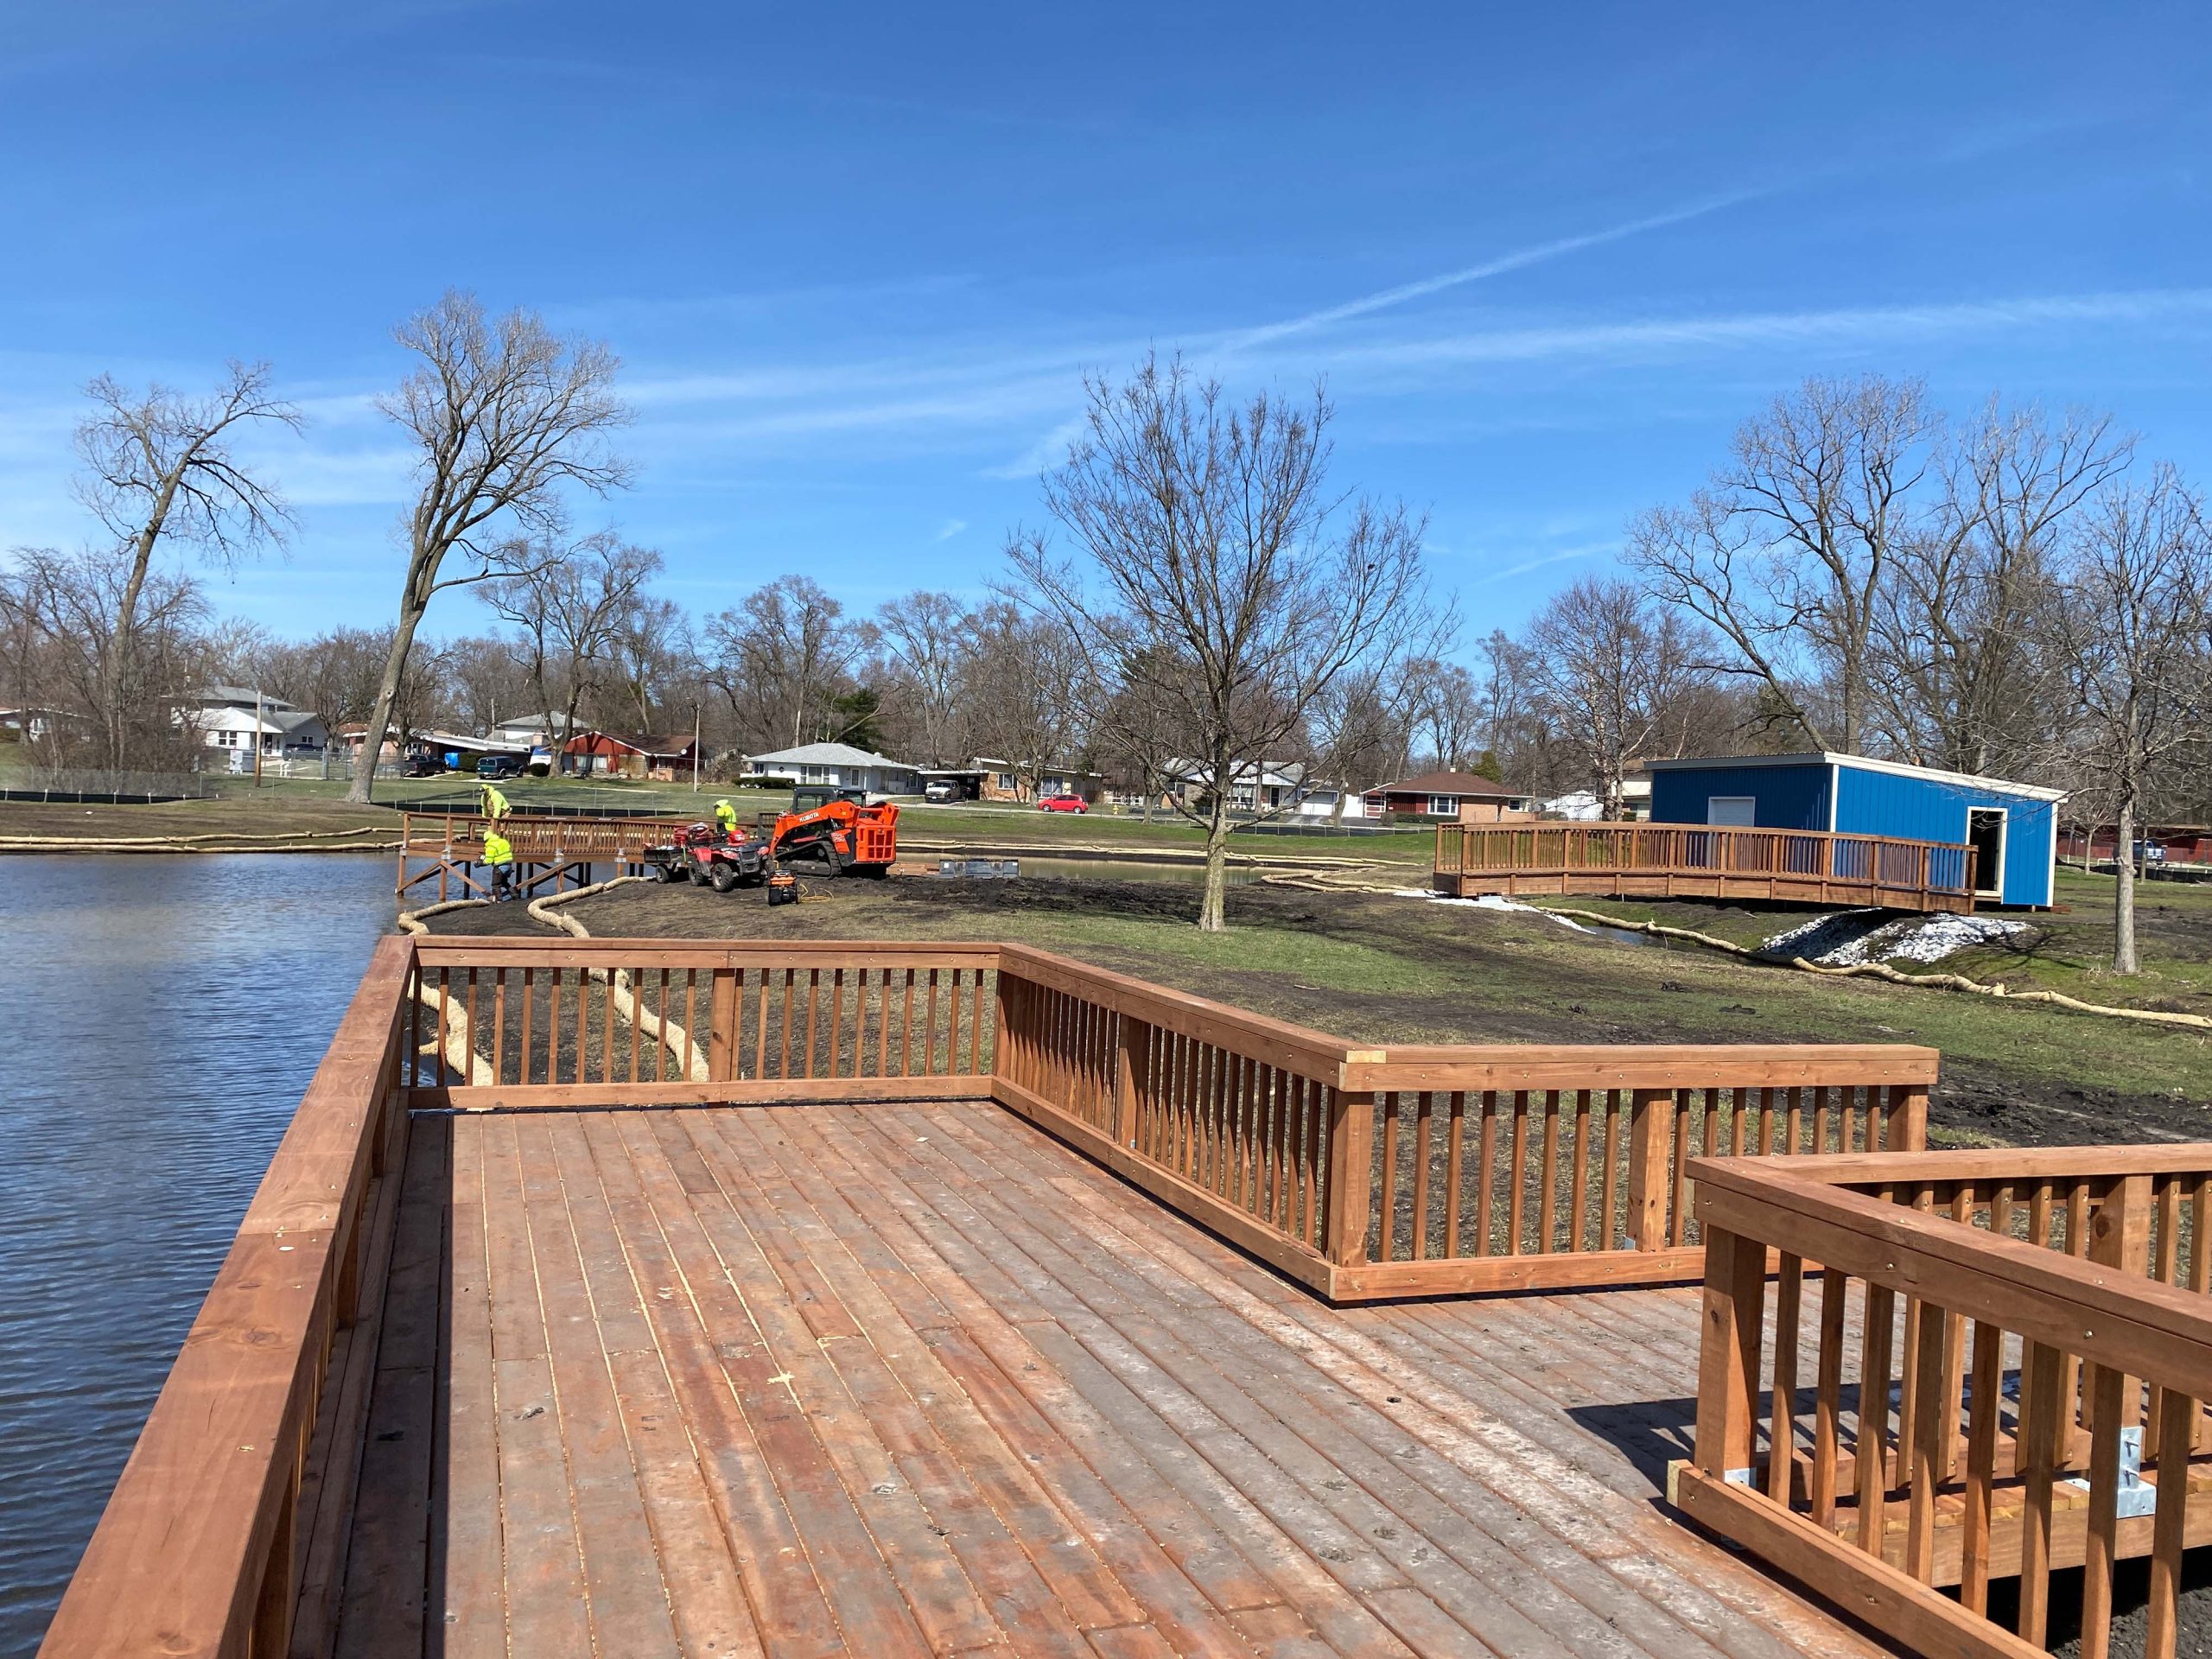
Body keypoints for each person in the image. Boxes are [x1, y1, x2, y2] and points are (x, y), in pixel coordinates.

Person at [483, 825, 516, 901]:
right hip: (508, 865)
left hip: (499, 866)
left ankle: (499, 900)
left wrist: (480, 863)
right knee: (504, 883)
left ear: (486, 839)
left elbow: (489, 861)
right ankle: (515, 895)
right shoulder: (503, 841)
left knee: (496, 885)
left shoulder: (491, 846)